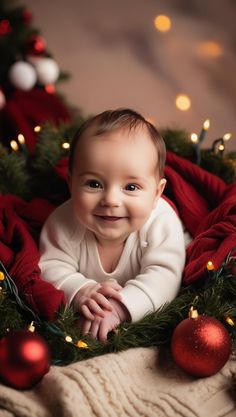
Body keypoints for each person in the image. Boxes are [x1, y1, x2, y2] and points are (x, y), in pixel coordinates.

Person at [39, 108, 186, 342]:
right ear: (71, 184)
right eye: (94, 184)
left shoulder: (162, 223)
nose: (110, 200)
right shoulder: (63, 222)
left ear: (157, 193)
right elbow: (49, 265)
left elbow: (164, 277)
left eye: (131, 187)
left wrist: (119, 308)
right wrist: (79, 290)